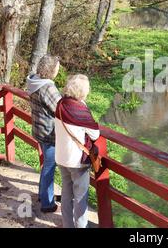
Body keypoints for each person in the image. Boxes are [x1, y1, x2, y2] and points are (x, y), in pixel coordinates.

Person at [55, 74, 100, 228]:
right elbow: (95, 134)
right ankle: (81, 226)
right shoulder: (79, 108)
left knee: (67, 194)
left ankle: (68, 225)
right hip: (77, 161)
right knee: (81, 198)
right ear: (82, 91)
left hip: (62, 157)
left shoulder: (60, 103)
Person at [26, 55, 61, 213]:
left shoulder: (34, 80)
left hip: (39, 129)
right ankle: (47, 203)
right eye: (57, 67)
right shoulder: (47, 87)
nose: (58, 69)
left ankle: (42, 194)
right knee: (49, 166)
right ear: (51, 69)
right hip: (49, 134)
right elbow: (61, 109)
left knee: (47, 164)